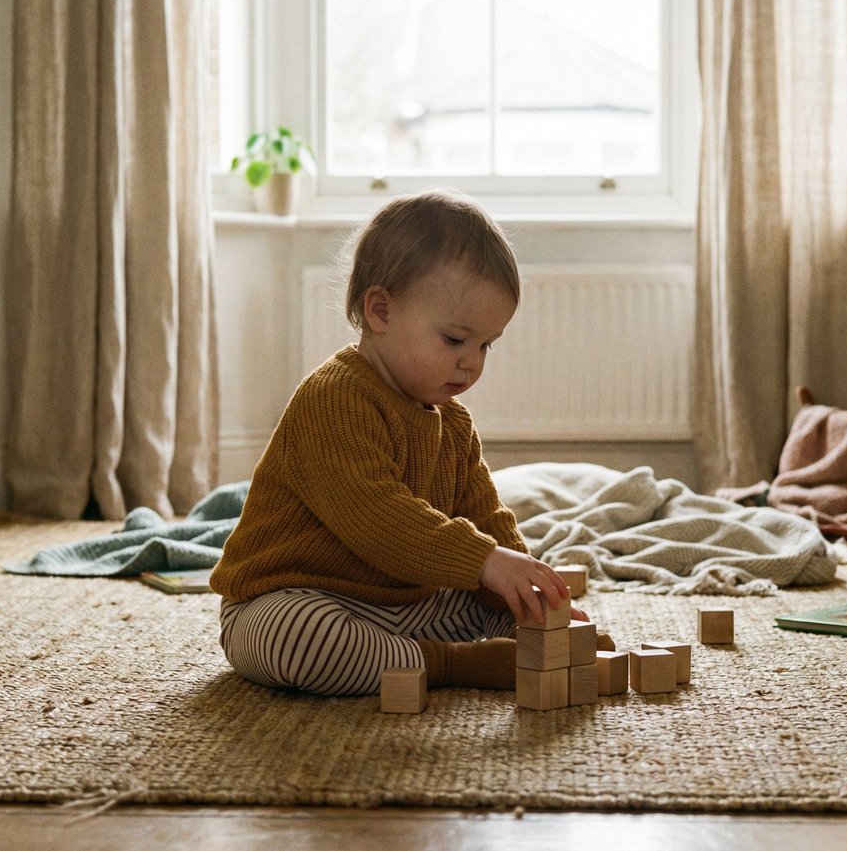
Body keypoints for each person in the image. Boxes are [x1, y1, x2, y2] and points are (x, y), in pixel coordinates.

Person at [211, 190, 610, 697]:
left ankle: (524, 647)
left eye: (486, 345)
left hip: (400, 602)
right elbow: (378, 519)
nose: (473, 363)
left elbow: (486, 517)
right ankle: (449, 664)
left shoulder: (453, 422)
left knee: (477, 594)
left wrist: (525, 596)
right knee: (296, 638)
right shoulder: (333, 399)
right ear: (380, 310)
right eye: (454, 340)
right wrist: (485, 561)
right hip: (294, 594)